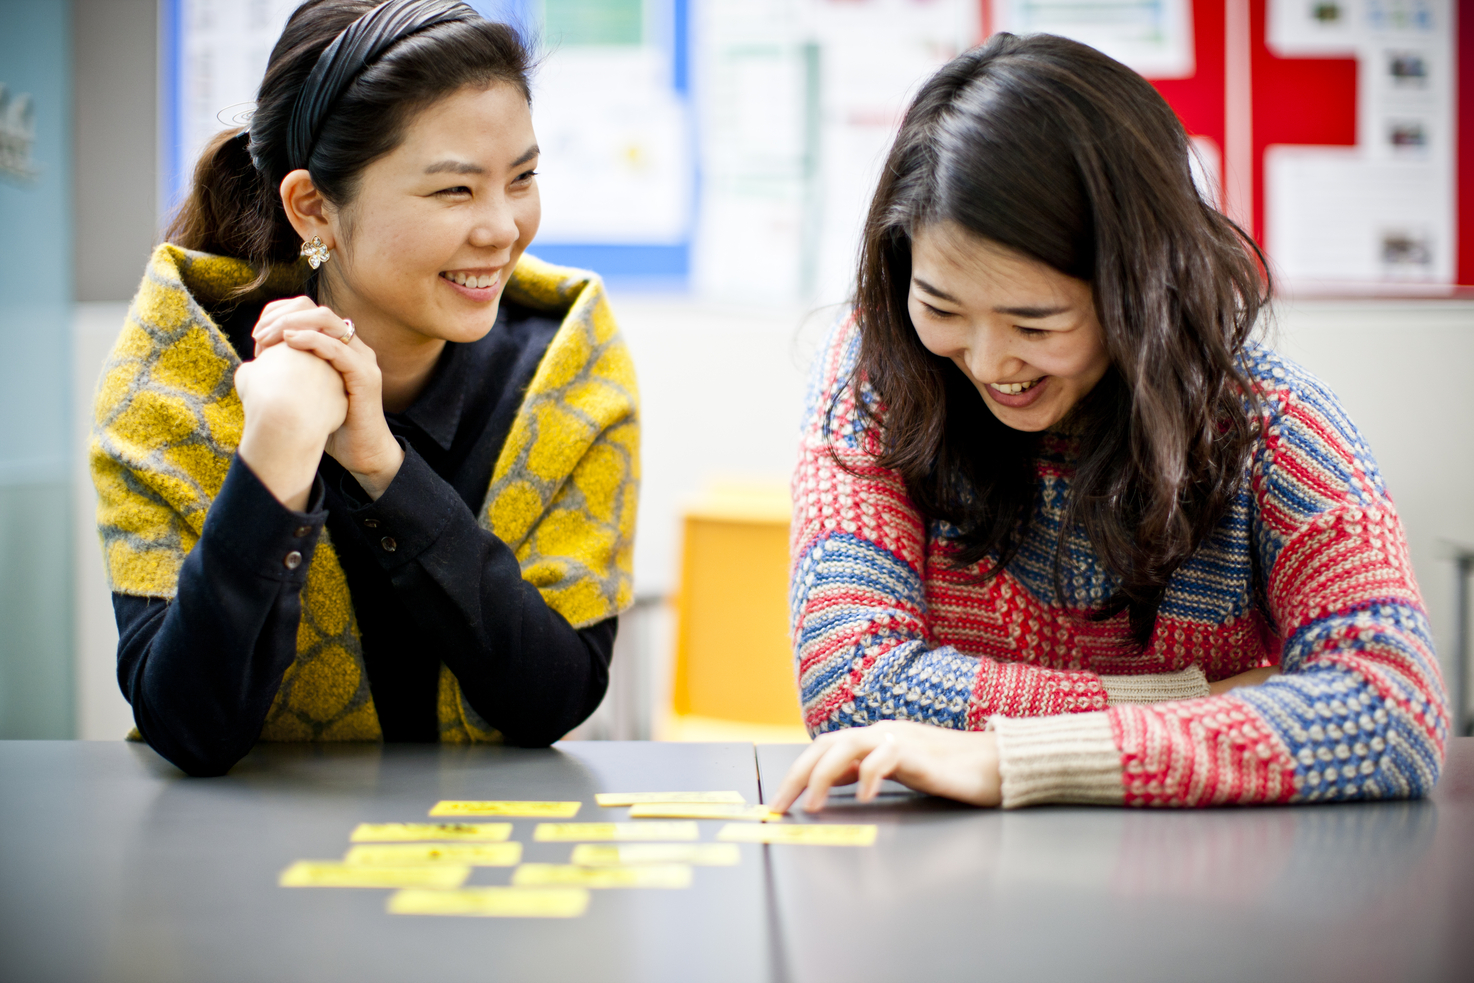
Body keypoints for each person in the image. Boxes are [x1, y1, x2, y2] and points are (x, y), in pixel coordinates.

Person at [774, 33, 1447, 811]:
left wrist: (1016, 760)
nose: (991, 362)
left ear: (1140, 290)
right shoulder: (877, 375)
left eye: (1035, 322)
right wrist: (1206, 698)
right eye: (942, 308)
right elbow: (850, 684)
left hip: (1201, 888)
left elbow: (1397, 706)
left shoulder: (1272, 423)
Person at [91, 0, 638, 777]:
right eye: (455, 191)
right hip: (240, 871)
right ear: (314, 206)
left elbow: (556, 697)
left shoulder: (565, 364)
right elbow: (189, 727)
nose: (502, 228)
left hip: (481, 861)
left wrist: (385, 467)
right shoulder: (178, 369)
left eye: (522, 178)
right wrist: (276, 452)